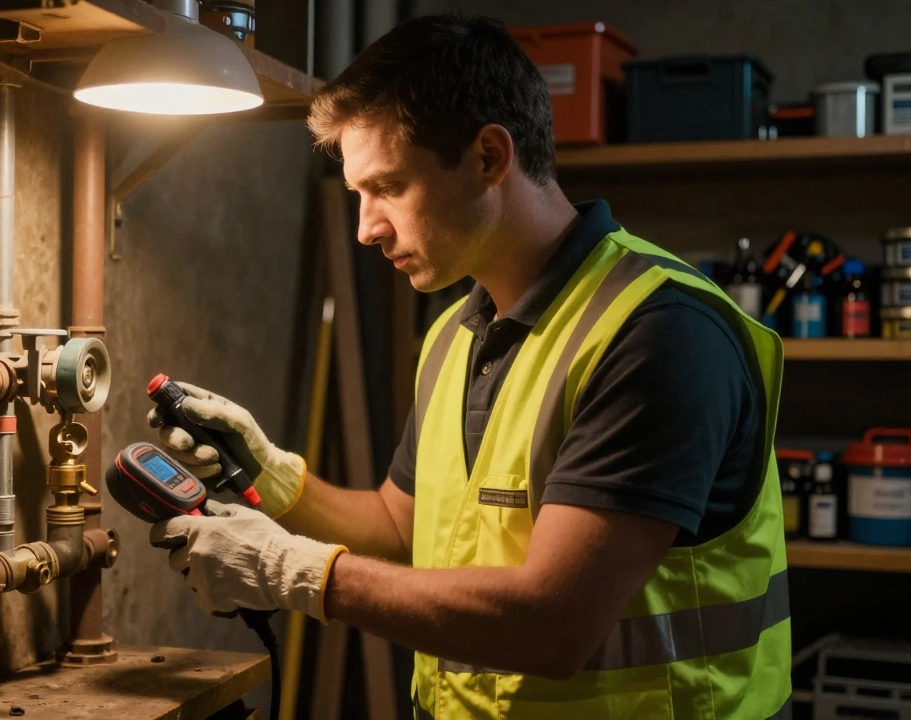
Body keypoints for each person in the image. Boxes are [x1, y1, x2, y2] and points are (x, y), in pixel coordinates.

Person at [147, 13, 791, 720]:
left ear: (488, 157)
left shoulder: (656, 334)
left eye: (387, 187)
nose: (366, 227)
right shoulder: (456, 334)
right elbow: (402, 529)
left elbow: (553, 624)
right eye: (358, 195)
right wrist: (274, 474)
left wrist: (293, 572)